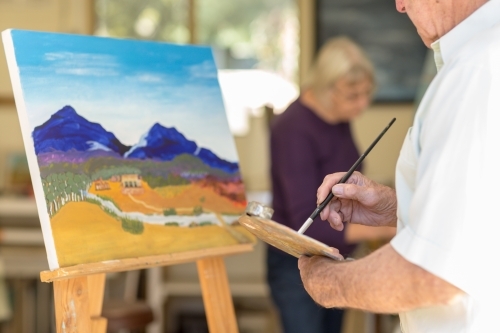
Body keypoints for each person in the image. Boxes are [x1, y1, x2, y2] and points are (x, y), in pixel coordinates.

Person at [298, 0, 500, 332]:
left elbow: (434, 274)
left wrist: (331, 284)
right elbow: (480, 218)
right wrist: (397, 207)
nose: (400, 6)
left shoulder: (476, 70)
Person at [267, 36, 383, 333]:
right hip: (296, 264)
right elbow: (314, 225)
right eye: (352, 95)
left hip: (335, 257)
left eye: (366, 93)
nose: (362, 104)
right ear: (327, 89)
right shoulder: (292, 128)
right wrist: (397, 222)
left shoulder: (338, 116)